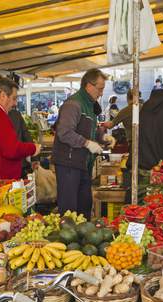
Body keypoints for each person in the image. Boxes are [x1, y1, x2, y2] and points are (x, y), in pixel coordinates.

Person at [52, 68, 109, 215]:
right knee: (70, 209)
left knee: (84, 205)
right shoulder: (74, 104)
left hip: (82, 163)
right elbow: (64, 132)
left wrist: (103, 137)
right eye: (100, 89)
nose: (101, 93)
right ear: (89, 86)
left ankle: (82, 236)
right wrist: (87, 143)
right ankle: (68, 238)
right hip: (68, 164)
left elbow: (90, 131)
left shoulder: (89, 105)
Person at [8, 106, 34, 178]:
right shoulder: (15, 114)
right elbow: (26, 135)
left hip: (3, 166)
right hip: (19, 163)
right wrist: (34, 157)